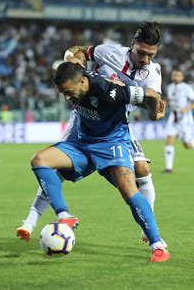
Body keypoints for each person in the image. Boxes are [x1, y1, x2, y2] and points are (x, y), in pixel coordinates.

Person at [17, 22, 166, 244]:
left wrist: (146, 101)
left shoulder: (153, 74)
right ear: (132, 45)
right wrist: (73, 60)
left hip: (116, 125)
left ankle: (149, 227)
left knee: (142, 169)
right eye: (141, 52)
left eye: (150, 55)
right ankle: (30, 221)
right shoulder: (110, 52)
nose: (145, 59)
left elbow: (153, 110)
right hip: (84, 117)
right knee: (52, 168)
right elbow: (77, 50)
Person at [29, 62, 170, 262]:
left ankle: (157, 245)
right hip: (83, 144)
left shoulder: (110, 92)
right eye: (63, 93)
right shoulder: (77, 78)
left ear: (83, 81)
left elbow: (151, 94)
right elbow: (76, 52)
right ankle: (64, 215)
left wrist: (156, 113)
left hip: (112, 144)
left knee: (129, 191)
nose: (67, 97)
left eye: (69, 92)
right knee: (39, 159)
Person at [163, 70, 194, 173]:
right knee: (169, 139)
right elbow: (169, 100)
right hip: (174, 117)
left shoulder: (187, 88)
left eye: (178, 75)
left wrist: (186, 108)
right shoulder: (170, 87)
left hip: (185, 119)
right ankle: (169, 168)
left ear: (182, 77)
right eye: (174, 75)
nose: (176, 76)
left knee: (187, 145)